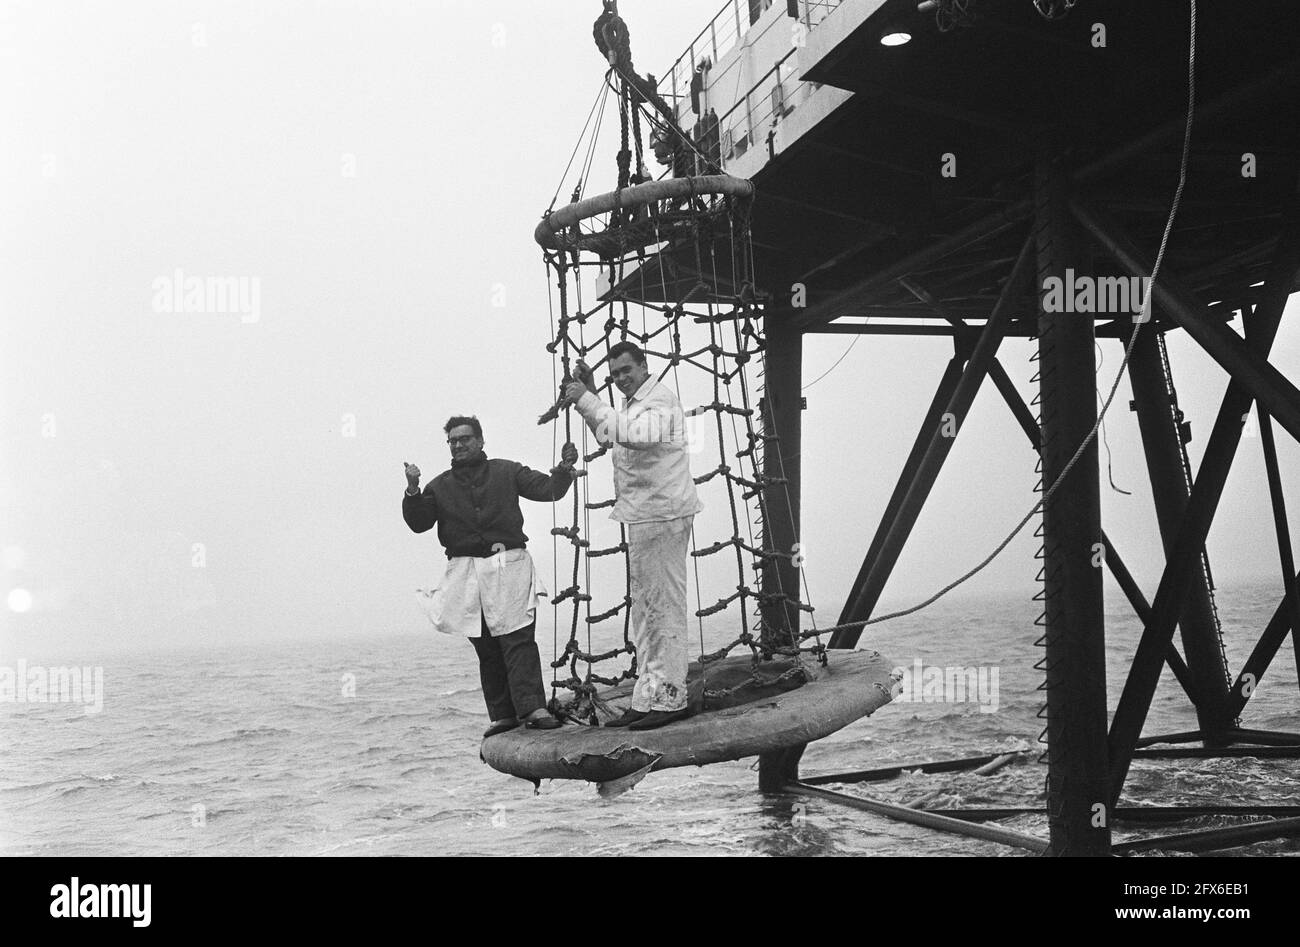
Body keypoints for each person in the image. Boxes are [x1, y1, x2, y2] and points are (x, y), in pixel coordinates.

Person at [403, 415, 578, 738]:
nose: (458, 445)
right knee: (485, 645)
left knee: (518, 640)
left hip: (507, 564)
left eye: (465, 439)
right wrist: (413, 490)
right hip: (466, 572)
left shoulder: (507, 471)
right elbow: (419, 523)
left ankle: (534, 709)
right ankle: (503, 715)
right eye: (453, 441)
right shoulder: (438, 486)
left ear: (481, 441)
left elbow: (548, 490)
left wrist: (564, 470)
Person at [564, 341, 702, 730]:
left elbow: (638, 436)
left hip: (665, 515)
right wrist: (590, 399)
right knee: (644, 610)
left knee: (664, 608)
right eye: (616, 374)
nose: (622, 378)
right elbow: (611, 437)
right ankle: (648, 697)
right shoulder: (631, 406)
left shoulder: (659, 401)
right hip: (645, 517)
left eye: (627, 370)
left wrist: (590, 398)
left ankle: (671, 698)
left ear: (644, 366)